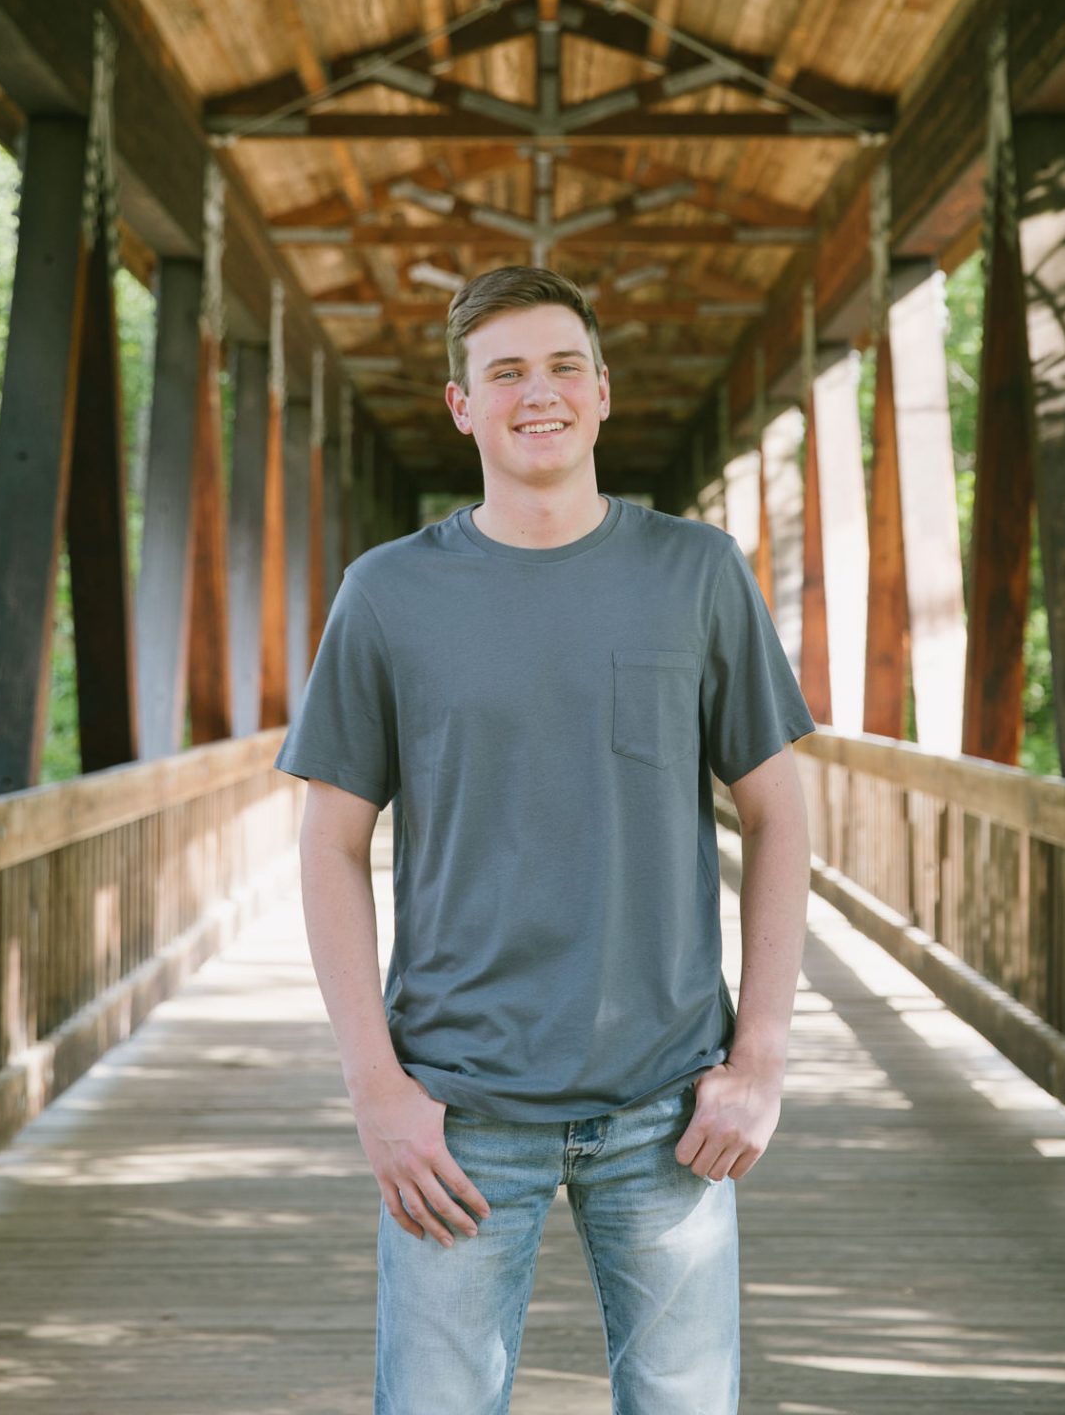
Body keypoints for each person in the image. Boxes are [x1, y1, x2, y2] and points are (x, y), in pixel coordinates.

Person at [274, 264, 814, 1414]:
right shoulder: (386, 595)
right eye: (505, 370)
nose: (540, 392)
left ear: (604, 390)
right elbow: (327, 843)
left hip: (669, 1109)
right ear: (461, 405)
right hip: (455, 1115)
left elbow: (778, 808)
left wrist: (758, 1056)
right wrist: (375, 1085)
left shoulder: (697, 572)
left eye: (564, 364)